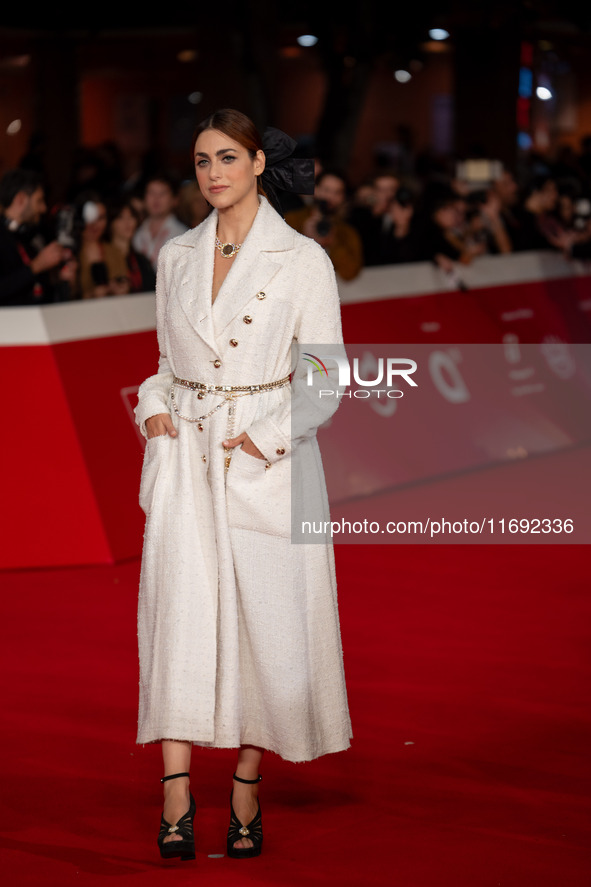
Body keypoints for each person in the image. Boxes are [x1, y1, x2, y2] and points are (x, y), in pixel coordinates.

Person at [134, 108, 352, 863]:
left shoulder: (302, 260)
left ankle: (247, 786)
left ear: (259, 163)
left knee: (267, 627)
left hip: (267, 461)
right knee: (179, 617)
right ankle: (174, 788)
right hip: (187, 463)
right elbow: (164, 363)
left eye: (228, 157)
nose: (214, 172)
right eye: (201, 161)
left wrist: (265, 435)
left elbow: (326, 379)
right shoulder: (175, 256)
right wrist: (154, 406)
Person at [0, 169, 76, 305]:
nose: (44, 208)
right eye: (39, 201)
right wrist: (36, 266)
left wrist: (58, 277)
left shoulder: (35, 235)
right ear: (20, 200)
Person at [284, 168, 363, 280]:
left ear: (343, 197)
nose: (330, 197)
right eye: (326, 190)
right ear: (315, 189)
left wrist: (332, 242)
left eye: (337, 192)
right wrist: (303, 238)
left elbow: (350, 274)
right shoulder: (292, 219)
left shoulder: (347, 232)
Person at [74, 192, 130, 298]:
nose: (95, 224)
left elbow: (124, 284)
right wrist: (91, 295)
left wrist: (121, 289)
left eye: (101, 218)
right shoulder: (70, 253)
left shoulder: (114, 252)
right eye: (90, 218)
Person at [132, 173, 187, 270]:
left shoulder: (182, 235)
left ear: (174, 200)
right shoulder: (135, 231)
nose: (156, 199)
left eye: (162, 193)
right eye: (151, 193)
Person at [105, 198, 156, 293]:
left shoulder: (141, 260)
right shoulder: (102, 256)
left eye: (131, 216)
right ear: (110, 223)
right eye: (120, 217)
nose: (127, 222)